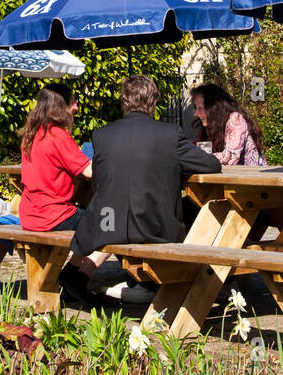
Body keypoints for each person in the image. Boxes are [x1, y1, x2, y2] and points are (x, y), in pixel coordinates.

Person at [59, 75, 220, 306]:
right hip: (155, 228)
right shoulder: (170, 134)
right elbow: (211, 165)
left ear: (124, 102)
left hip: (107, 226)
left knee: (111, 212)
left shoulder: (102, 135)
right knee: (198, 212)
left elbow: (98, 181)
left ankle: (93, 277)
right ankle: (212, 286)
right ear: (154, 103)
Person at [18, 83, 91, 233]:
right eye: (73, 102)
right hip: (53, 216)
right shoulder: (58, 135)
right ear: (61, 106)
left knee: (94, 223)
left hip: (29, 215)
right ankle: (86, 258)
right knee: (111, 222)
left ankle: (80, 258)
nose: (76, 108)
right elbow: (89, 172)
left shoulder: (31, 135)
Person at [191, 83, 267, 168]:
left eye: (200, 108)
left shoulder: (235, 120)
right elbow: (192, 147)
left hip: (252, 178)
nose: (196, 113)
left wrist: (197, 158)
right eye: (195, 108)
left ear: (214, 108)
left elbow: (231, 157)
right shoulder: (209, 126)